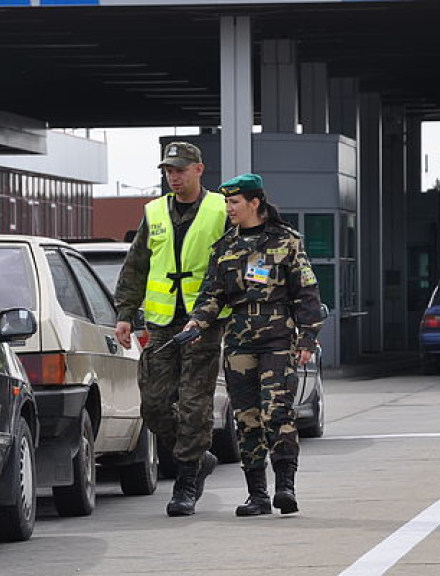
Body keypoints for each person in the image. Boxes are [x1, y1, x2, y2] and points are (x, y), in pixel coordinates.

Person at [184, 173, 324, 516]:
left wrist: (307, 336)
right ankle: (257, 495)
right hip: (239, 341)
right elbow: (211, 296)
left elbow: (306, 292)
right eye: (227, 202)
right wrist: (196, 322)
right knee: (246, 418)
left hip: (278, 338)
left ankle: (285, 487)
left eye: (234, 203)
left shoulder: (287, 241)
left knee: (277, 412)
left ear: (254, 203)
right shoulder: (225, 247)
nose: (229, 209)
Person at [113, 141, 230, 517]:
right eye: (168, 170)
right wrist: (126, 313)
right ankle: (198, 456)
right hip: (162, 323)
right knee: (153, 404)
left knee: (195, 403)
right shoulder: (155, 212)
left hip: (204, 321)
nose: (173, 177)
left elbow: (236, 262)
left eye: (180, 169)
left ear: (199, 169)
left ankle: (186, 481)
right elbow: (136, 265)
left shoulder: (219, 209)